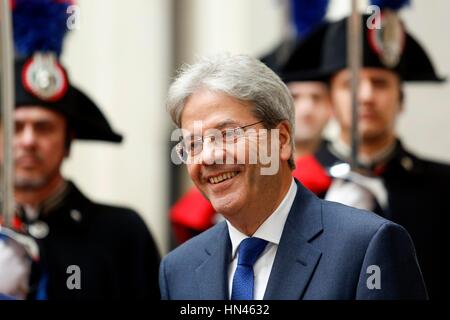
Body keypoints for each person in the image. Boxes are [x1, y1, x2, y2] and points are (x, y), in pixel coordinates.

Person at [159, 53, 427, 300]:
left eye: (228, 135)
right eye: (193, 144)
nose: (208, 157)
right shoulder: (179, 269)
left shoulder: (365, 247)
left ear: (282, 139)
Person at [283, 10, 449, 299]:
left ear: (401, 99)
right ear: (330, 100)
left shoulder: (443, 186)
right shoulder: (291, 187)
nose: (367, 95)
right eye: (351, 84)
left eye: (381, 83)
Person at [0, 0, 161, 300]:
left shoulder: (121, 233)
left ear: (68, 142)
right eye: (17, 127)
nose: (28, 140)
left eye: (44, 127)